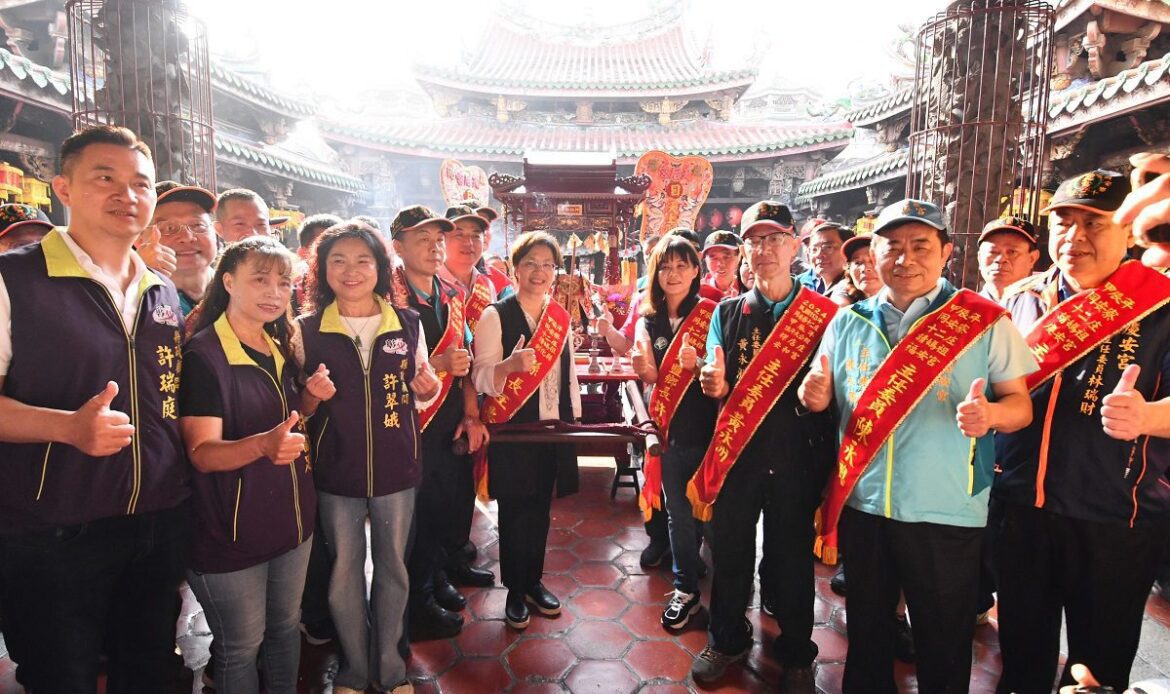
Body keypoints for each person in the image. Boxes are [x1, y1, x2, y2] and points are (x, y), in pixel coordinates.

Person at [799, 198, 1036, 694]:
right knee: (867, 631)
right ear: (873, 253)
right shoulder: (847, 322)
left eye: (920, 246)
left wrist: (991, 414)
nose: (905, 259)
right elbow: (821, 394)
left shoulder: (982, 320)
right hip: (865, 506)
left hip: (946, 510)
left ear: (946, 252)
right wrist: (811, 396)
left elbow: (1021, 406)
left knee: (943, 637)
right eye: (893, 246)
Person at [0, 125, 191, 694]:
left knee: (148, 667)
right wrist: (66, 428)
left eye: (140, 183)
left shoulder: (160, 289)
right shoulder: (16, 280)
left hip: (156, 518)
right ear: (63, 187)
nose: (126, 195)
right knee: (63, 675)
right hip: (52, 527)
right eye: (104, 178)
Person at [993, 170, 1170, 694]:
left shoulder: (1161, 305)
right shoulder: (1019, 300)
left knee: (1098, 668)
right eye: (1063, 222)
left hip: (1117, 517)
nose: (1074, 237)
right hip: (1020, 508)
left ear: (1128, 231)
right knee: (1022, 653)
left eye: (1094, 223)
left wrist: (1148, 417)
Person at [688, 201, 838, 690]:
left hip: (799, 460)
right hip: (738, 459)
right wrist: (711, 381)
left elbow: (844, 385)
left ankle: (796, 649)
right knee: (729, 555)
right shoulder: (727, 314)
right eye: (755, 240)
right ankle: (727, 638)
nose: (764, 250)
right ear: (744, 251)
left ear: (794, 245)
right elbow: (713, 369)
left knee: (791, 559)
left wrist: (825, 396)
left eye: (775, 239)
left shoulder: (827, 316)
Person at [295, 221, 440, 694]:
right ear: (322, 270)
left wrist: (429, 387)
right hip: (336, 472)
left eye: (363, 260)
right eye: (338, 260)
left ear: (381, 267)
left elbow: (422, 393)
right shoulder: (305, 331)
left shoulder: (407, 323)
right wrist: (311, 398)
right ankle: (356, 668)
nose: (351, 270)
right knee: (343, 574)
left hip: (397, 470)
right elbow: (297, 408)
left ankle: (391, 667)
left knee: (394, 568)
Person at [179, 236, 317, 694]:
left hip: (291, 520)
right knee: (241, 645)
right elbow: (201, 452)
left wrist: (310, 399)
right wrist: (260, 446)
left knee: (285, 628)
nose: (274, 292)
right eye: (260, 280)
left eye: (283, 282)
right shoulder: (205, 355)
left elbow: (287, 425)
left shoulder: (277, 343)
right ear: (229, 281)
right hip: (230, 531)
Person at [471, 231, 581, 630]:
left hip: (551, 427)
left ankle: (533, 582)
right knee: (515, 510)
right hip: (512, 429)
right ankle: (515, 590)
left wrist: (574, 420)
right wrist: (508, 367)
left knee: (540, 509)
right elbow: (480, 376)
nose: (540, 272)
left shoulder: (559, 317)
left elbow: (569, 374)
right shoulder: (494, 315)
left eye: (547, 265)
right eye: (531, 263)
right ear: (516, 267)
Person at [391, 205, 491, 639]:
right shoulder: (389, 300)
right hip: (408, 428)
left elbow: (464, 364)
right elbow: (379, 369)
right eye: (422, 240)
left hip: (448, 423)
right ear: (398, 247)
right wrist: (436, 361)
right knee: (414, 521)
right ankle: (416, 607)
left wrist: (471, 415)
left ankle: (435, 580)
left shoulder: (450, 298)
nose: (434, 249)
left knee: (442, 511)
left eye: (437, 240)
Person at [631, 236, 719, 630]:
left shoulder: (715, 314)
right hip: (669, 434)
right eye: (666, 266)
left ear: (696, 270)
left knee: (715, 519)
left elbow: (726, 374)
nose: (674, 273)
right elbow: (648, 374)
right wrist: (645, 369)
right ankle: (685, 588)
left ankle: (731, 594)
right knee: (678, 516)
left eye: (683, 265)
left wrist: (699, 364)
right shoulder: (648, 319)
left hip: (710, 435)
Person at [438, 204, 500, 578]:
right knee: (439, 483)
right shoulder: (433, 284)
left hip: (476, 395)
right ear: (441, 240)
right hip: (438, 399)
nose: (468, 242)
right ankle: (439, 567)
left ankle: (457, 553)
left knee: (463, 478)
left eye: (475, 235)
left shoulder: (485, 283)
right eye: (458, 234)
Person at [135, 181, 218, 316]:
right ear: (139, 240)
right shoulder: (128, 300)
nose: (187, 237)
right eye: (169, 228)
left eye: (198, 225)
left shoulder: (237, 288)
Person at [976, 216, 1041, 302]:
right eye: (993, 252)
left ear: (1032, 258)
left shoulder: (1046, 308)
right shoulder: (961, 309)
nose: (1000, 259)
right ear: (980, 259)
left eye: (1012, 252)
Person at [796, 218, 853, 295]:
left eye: (828, 247)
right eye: (814, 249)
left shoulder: (855, 290)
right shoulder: (798, 285)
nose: (819, 255)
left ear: (848, 250)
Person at [830, 233, 882, 307]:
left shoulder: (901, 308)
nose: (865, 268)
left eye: (873, 261)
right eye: (858, 263)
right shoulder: (845, 299)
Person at [700, 229, 743, 298]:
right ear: (705, 260)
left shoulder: (746, 288)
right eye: (713, 258)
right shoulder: (697, 291)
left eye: (726, 257)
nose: (720, 264)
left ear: (739, 257)